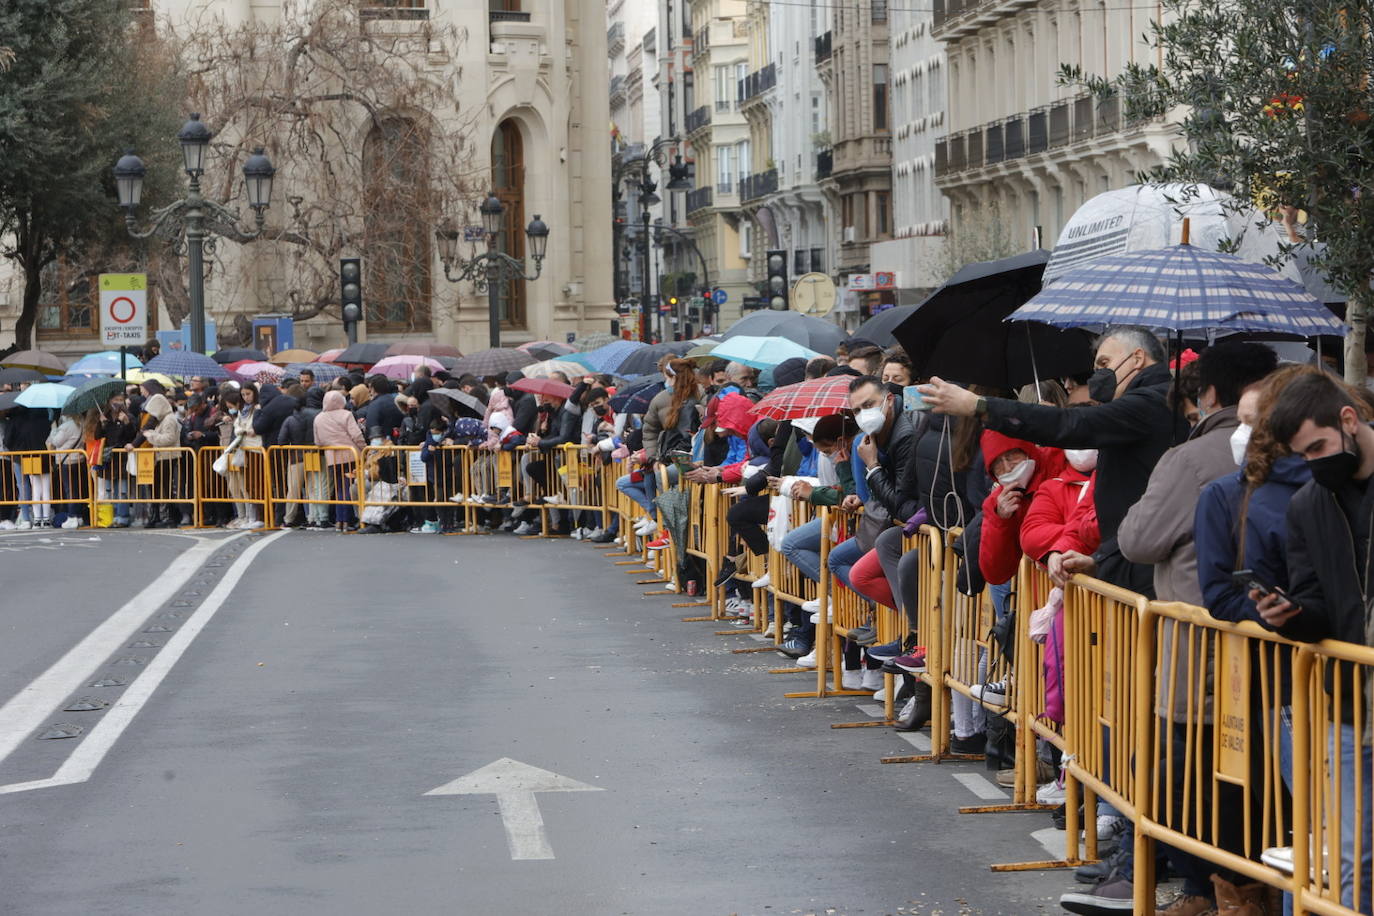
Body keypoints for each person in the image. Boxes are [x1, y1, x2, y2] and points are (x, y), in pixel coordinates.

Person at [1068, 341, 1275, 916]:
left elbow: (1139, 538)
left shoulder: (1192, 459)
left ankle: (1207, 890)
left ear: (1208, 392)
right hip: (1271, 657)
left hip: (1201, 654)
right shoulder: (1279, 455)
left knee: (1180, 773)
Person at [920, 326, 1183, 597]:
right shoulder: (1154, 402)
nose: (1100, 375)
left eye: (1105, 363)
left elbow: (1073, 424)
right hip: (1130, 560)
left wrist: (979, 406)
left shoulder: (1149, 403)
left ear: (1138, 358)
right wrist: (1100, 560)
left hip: (1144, 571)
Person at [1257, 369, 1374, 914]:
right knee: (1354, 859)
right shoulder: (1308, 505)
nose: (1315, 463)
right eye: (1303, 456)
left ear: (1349, 420)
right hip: (1349, 706)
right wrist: (1287, 615)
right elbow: (1317, 607)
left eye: (1320, 447)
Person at [314, 389, 365, 532]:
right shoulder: (346, 415)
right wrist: (364, 449)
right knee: (348, 488)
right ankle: (346, 520)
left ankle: (339, 521)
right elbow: (357, 435)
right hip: (351, 455)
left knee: (338, 489)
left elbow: (318, 442)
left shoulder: (318, 418)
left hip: (331, 458)